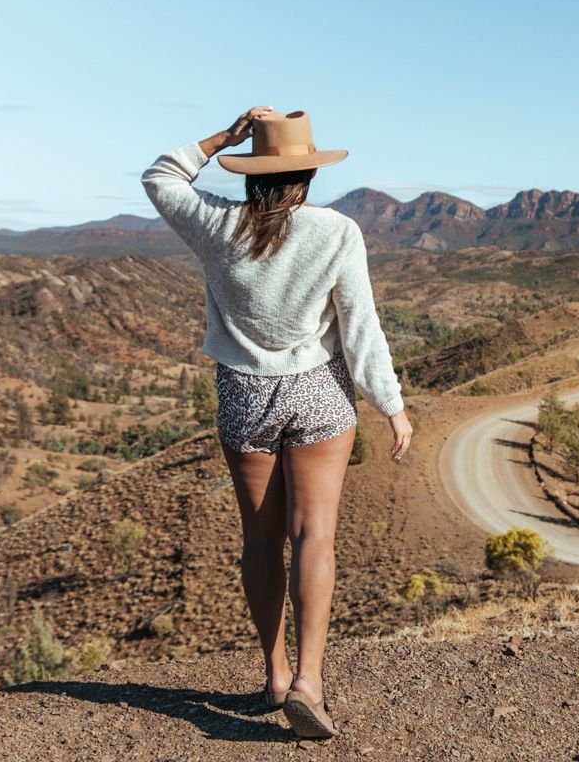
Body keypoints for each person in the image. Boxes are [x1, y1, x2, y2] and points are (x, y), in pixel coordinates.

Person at [141, 106, 413, 739]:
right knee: (314, 536)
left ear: (250, 173)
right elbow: (360, 329)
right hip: (319, 393)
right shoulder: (337, 232)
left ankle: (273, 671)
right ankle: (309, 683)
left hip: (244, 395)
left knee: (260, 542)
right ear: (308, 175)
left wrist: (219, 138)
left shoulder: (215, 224)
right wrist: (391, 404)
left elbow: (159, 177)